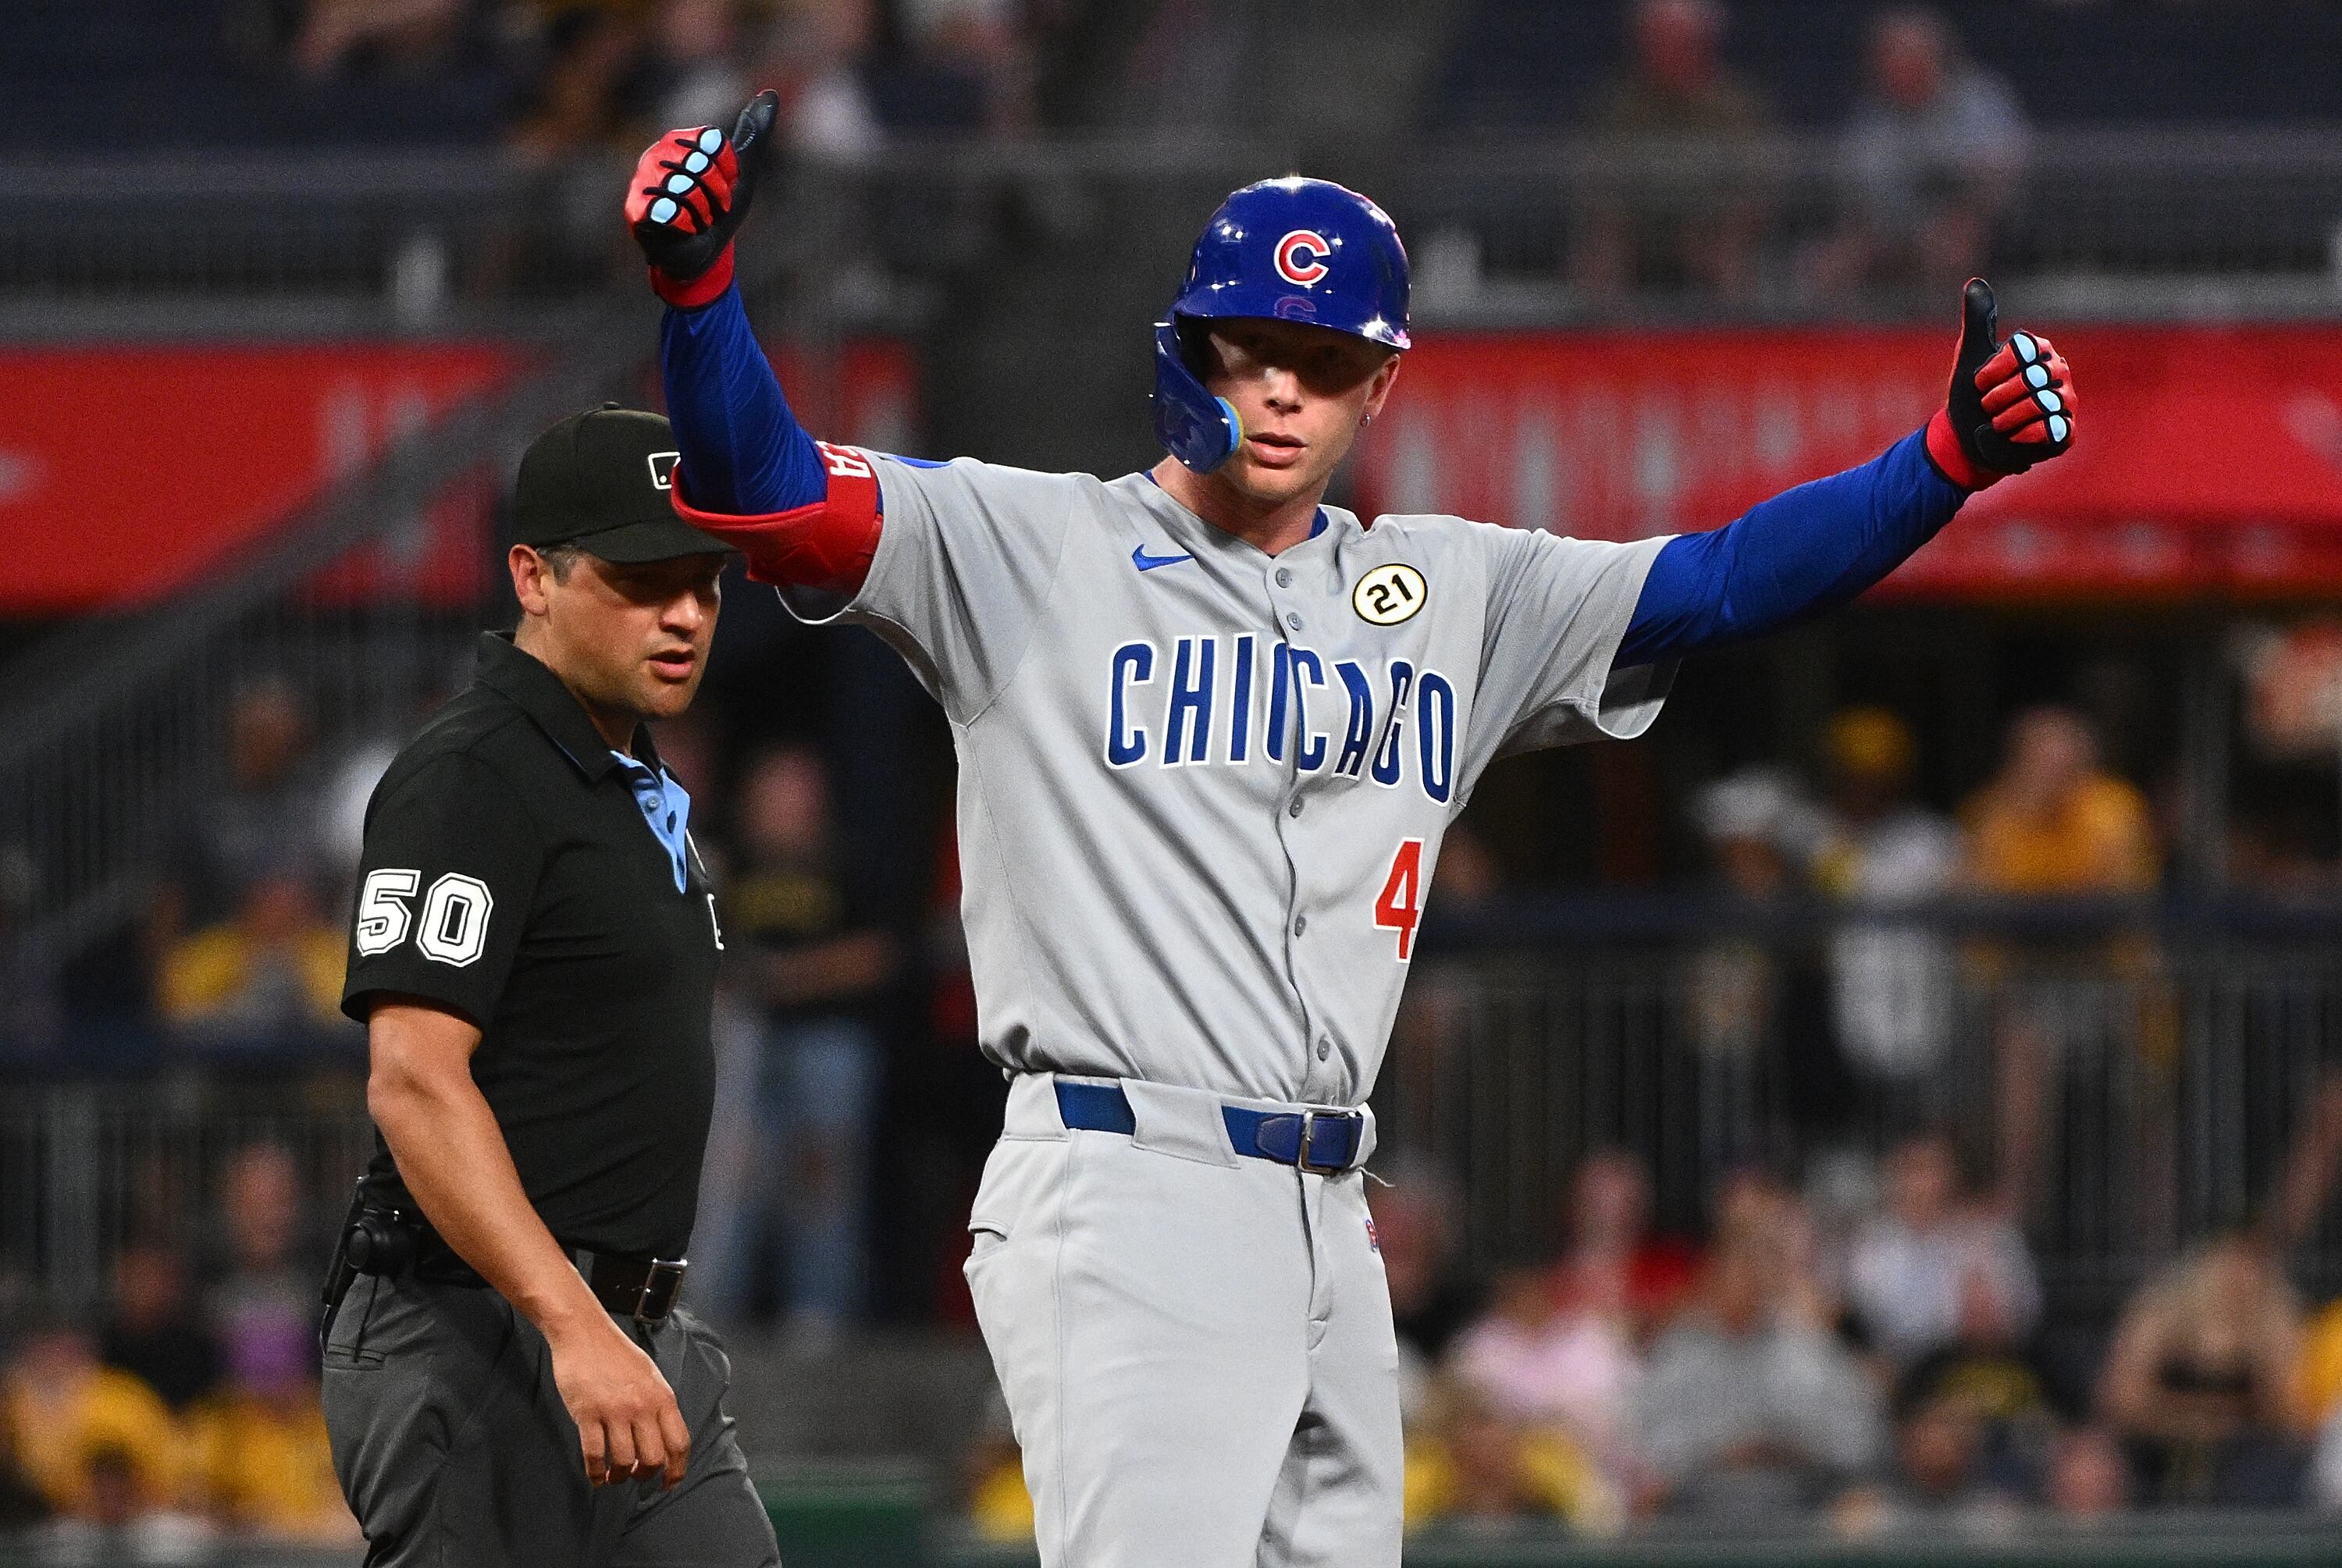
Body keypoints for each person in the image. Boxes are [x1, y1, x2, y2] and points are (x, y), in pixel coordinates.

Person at [626, 91, 2077, 1565]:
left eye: (1327, 363)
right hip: (1128, 1176)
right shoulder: (1030, 542)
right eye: (1252, 345)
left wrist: (1938, 465)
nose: (1283, 389)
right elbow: (777, 494)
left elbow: (1718, 579)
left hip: (1334, 1209)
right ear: (1189, 346)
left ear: (1380, 389)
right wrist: (699, 293)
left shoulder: (1456, 589)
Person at [322, 405, 777, 1566]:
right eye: (641, 581)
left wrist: (614, 1330)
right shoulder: (474, 774)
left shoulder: (620, 771)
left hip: (635, 1333)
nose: (684, 614)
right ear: (532, 575)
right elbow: (414, 1082)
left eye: (705, 585)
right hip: (480, 1333)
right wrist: (573, 1326)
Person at [714, 745, 897, 1329]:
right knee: (732, 1180)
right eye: (774, 791)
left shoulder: (846, 863)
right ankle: (720, 1313)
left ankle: (817, 1316)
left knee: (821, 1179)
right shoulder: (728, 863)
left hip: (829, 1045)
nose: (786, 805)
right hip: (743, 1042)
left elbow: (878, 953)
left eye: (797, 791)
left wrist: (786, 977)